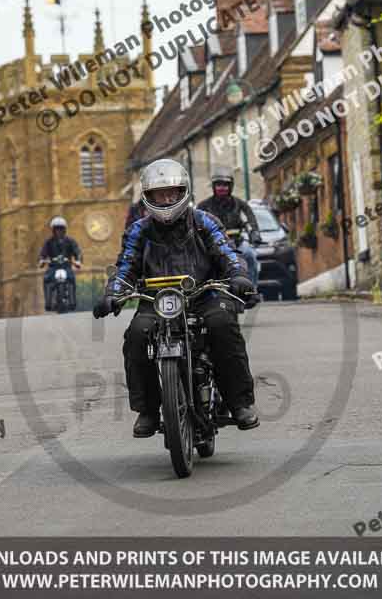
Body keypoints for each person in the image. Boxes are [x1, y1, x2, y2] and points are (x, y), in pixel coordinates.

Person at [93, 159, 259, 438]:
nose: (167, 199)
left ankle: (240, 403)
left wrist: (238, 275)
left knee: (222, 326)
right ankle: (147, 410)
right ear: (149, 197)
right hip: (157, 299)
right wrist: (113, 294)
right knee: (136, 335)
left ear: (184, 192)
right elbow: (126, 266)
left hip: (205, 293)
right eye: (160, 194)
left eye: (172, 192)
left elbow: (226, 252)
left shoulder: (204, 221)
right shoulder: (139, 230)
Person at [197, 166, 261, 291]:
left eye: (225, 185)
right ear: (214, 187)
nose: (222, 188)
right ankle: (203, 292)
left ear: (230, 187)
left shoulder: (240, 205)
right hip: (213, 246)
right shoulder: (203, 206)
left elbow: (249, 221)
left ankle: (252, 289)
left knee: (250, 255)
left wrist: (254, 233)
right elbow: (196, 224)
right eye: (218, 185)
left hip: (237, 243)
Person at [38, 217, 82, 311]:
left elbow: (77, 251)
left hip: (66, 266)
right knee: (46, 279)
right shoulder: (48, 242)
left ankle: (72, 301)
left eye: (61, 229)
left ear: (64, 230)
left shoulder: (70, 241)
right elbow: (43, 253)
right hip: (53, 267)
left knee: (71, 278)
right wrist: (42, 260)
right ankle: (48, 302)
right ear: (53, 230)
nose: (59, 231)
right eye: (57, 229)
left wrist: (78, 261)